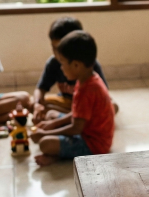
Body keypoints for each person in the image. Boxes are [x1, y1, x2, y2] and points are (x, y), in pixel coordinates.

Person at [31, 31, 115, 166]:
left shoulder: (88, 89)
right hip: (86, 130)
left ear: (76, 65)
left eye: (63, 63)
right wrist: (52, 124)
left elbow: (76, 128)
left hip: (95, 145)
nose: (61, 67)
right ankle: (61, 149)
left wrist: (44, 134)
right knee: (51, 115)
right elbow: (77, 114)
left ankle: (59, 156)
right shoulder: (86, 79)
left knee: (45, 144)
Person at [32, 17, 115, 124]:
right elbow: (40, 88)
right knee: (35, 104)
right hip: (67, 103)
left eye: (60, 48)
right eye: (53, 48)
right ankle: (74, 118)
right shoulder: (53, 63)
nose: (56, 53)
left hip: (86, 104)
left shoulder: (89, 65)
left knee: (112, 106)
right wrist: (37, 104)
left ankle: (74, 118)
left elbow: (102, 96)